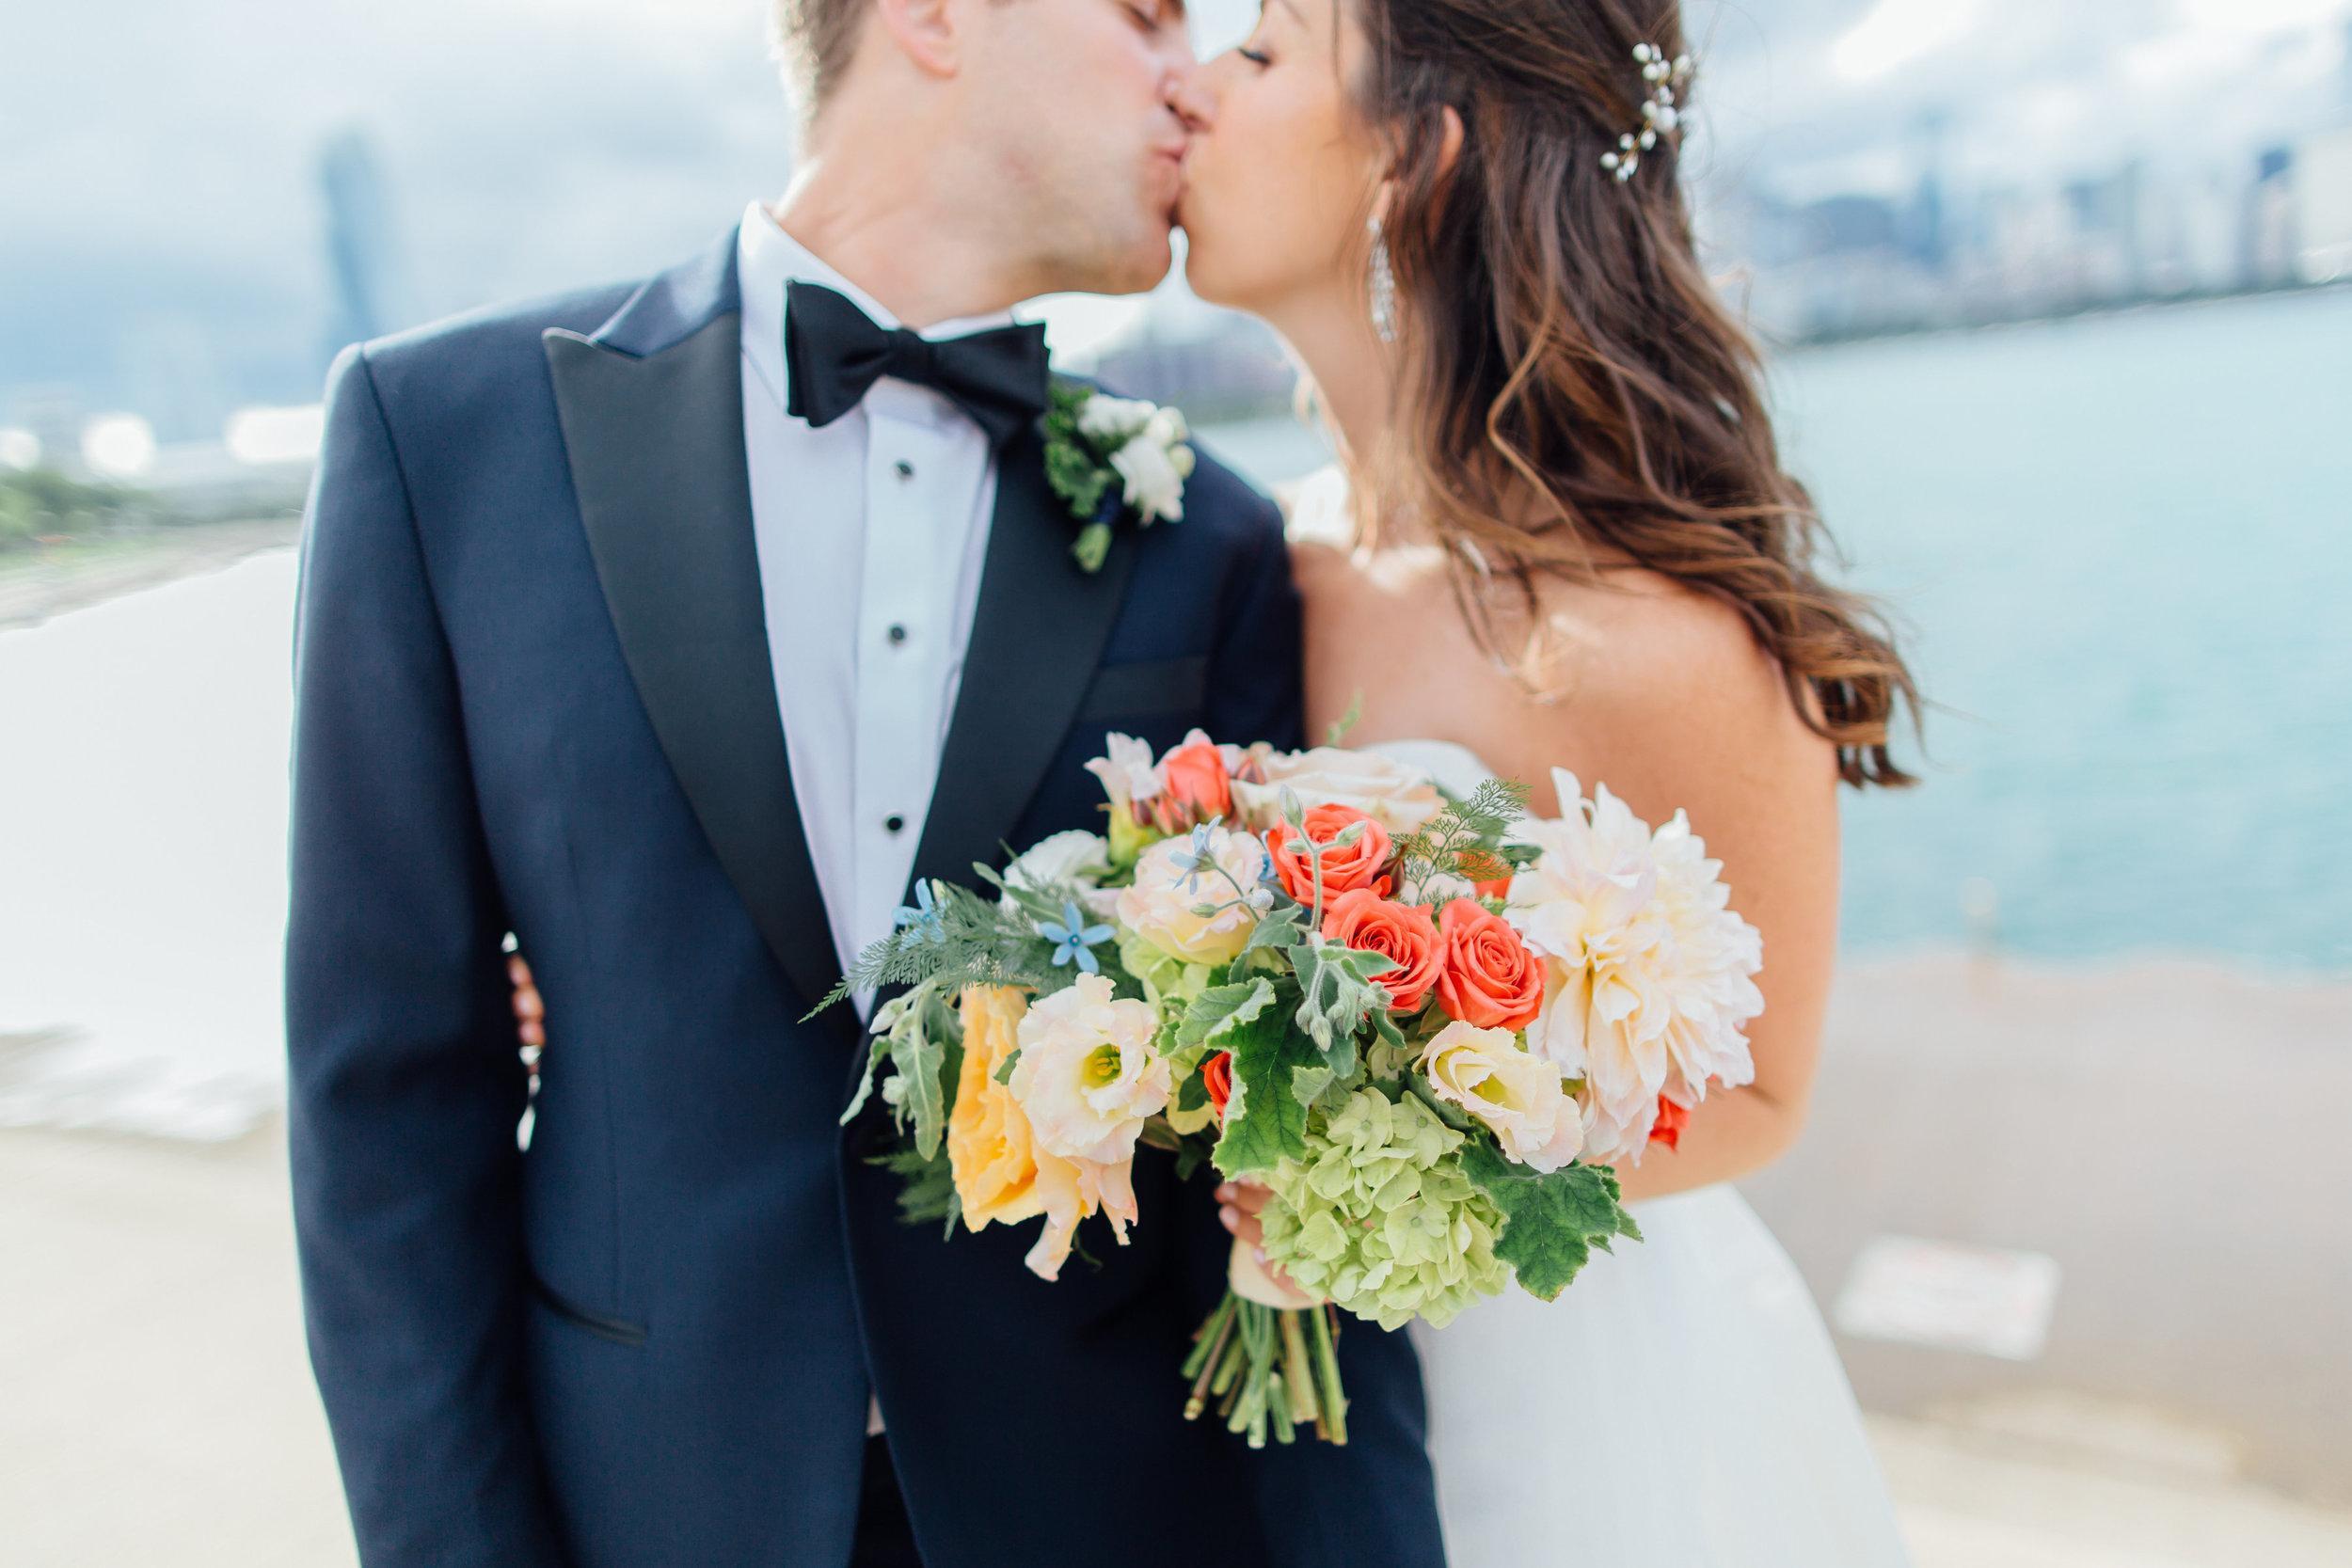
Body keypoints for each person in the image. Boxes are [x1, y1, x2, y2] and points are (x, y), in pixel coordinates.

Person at [285, 2, 1445, 1564]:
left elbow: (1283, 1130)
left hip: (1104, 1509)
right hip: (647, 1504)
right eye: (1148, 14)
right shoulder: (444, 441)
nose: (1193, 82)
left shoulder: (1210, 538)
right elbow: (387, 1115)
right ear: (937, 18)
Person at [1179, 0, 1919, 1560]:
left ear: (1412, 159)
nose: (1193, 87)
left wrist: (1377, 1177)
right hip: (1300, 1436)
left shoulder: (1648, 637)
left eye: (1257, 55)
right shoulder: (1258, 561)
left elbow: (1759, 1091)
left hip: (1572, 1403)